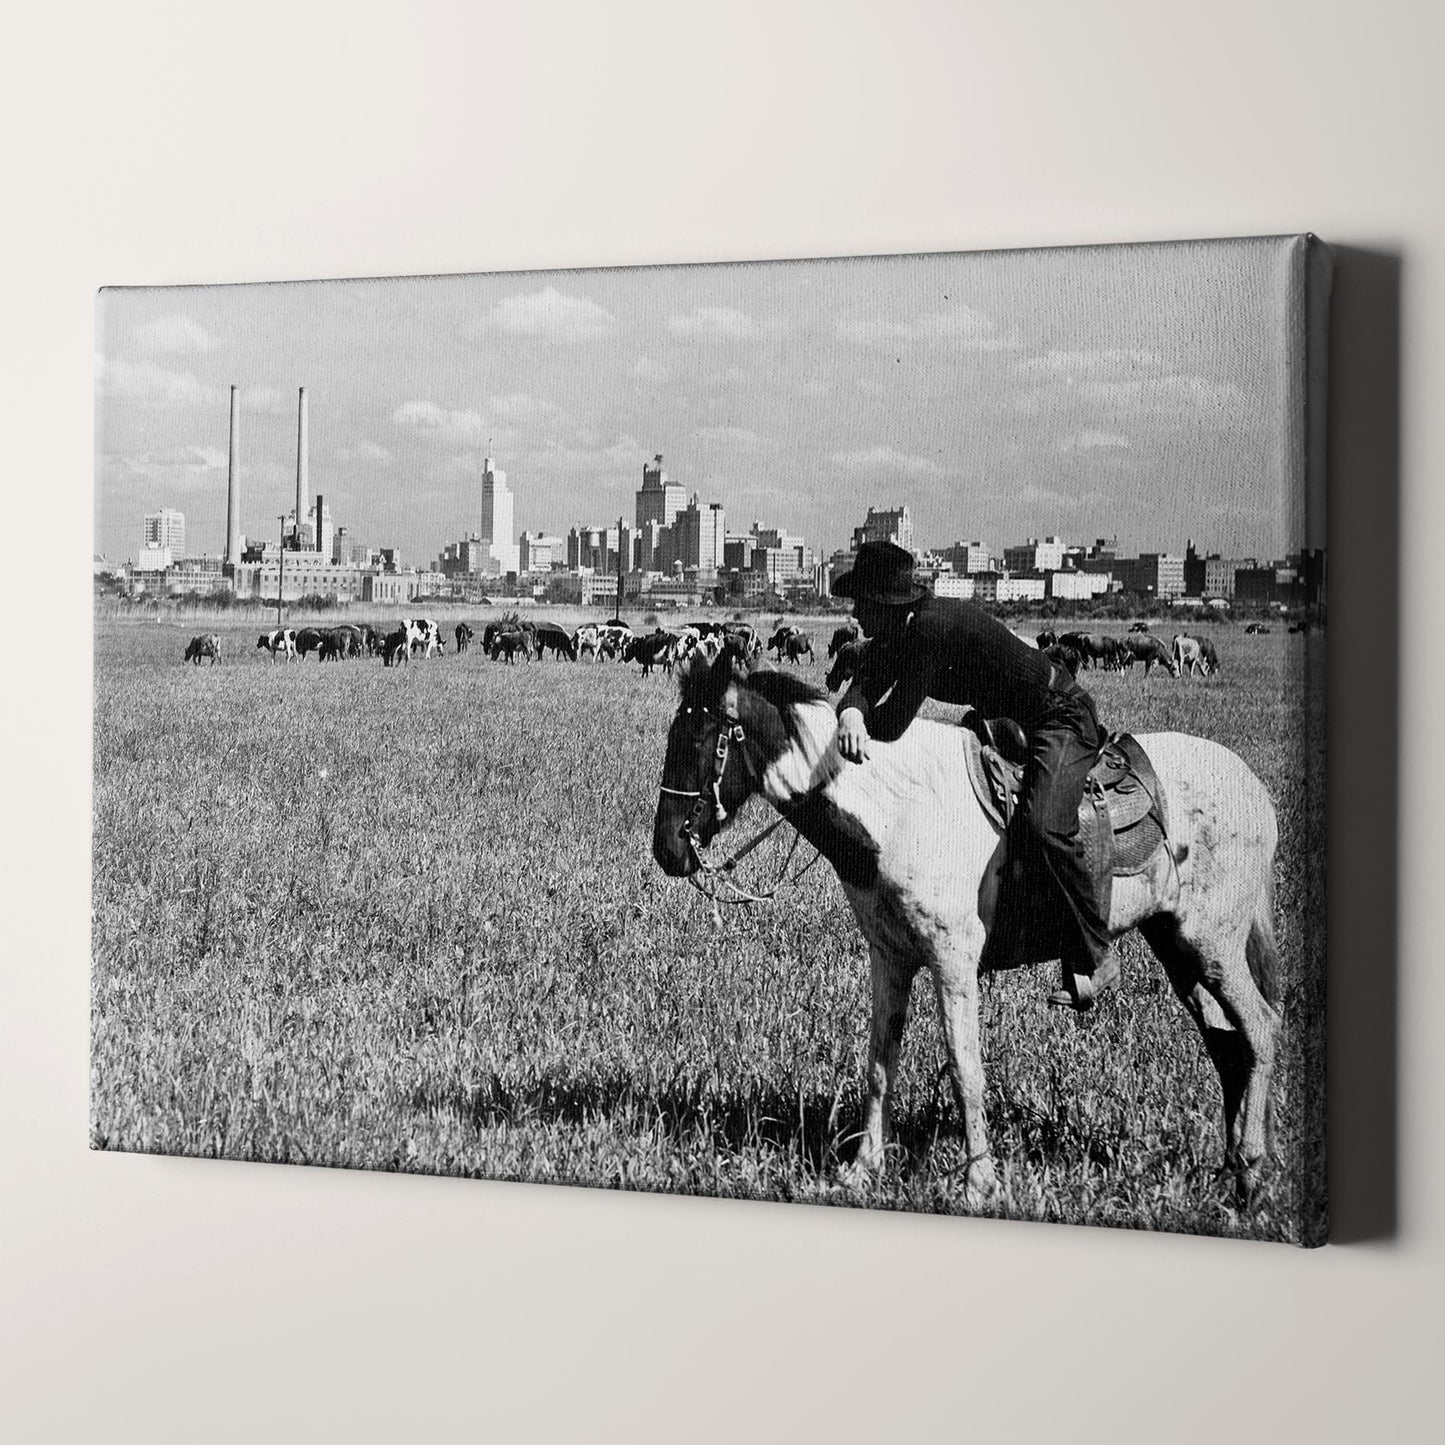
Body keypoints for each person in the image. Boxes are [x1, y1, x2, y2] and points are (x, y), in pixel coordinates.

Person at [832, 540, 1119, 1011]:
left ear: (883, 603)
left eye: (862, 603)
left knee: (1045, 825)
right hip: (1004, 717)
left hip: (1057, 717)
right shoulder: (896, 631)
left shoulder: (930, 629)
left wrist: (861, 716)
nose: (856, 614)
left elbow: (897, 720)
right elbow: (864, 683)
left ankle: (1096, 951)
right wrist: (851, 714)